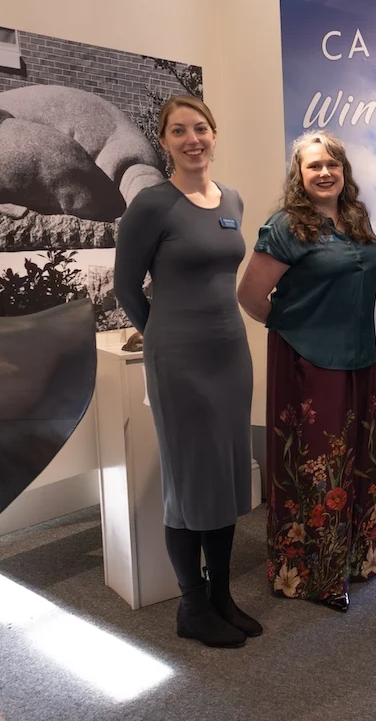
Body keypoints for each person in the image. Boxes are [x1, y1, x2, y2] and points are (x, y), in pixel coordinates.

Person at [113, 95, 260, 649]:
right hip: (179, 359)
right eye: (179, 131)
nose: (192, 139)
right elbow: (125, 287)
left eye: (200, 128)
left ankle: (221, 595)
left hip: (231, 356)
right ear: (165, 141)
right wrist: (161, 336)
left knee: (223, 477)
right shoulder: (151, 205)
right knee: (187, 483)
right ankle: (191, 606)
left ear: (214, 134)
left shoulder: (234, 200)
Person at [237, 130, 376, 613]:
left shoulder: (356, 219)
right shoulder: (286, 226)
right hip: (309, 366)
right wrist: (295, 333)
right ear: (299, 175)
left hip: (359, 360)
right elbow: (251, 297)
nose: (325, 173)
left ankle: (352, 560)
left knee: (355, 463)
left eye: (332, 165)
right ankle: (311, 577)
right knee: (315, 472)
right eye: (314, 165)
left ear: (344, 172)